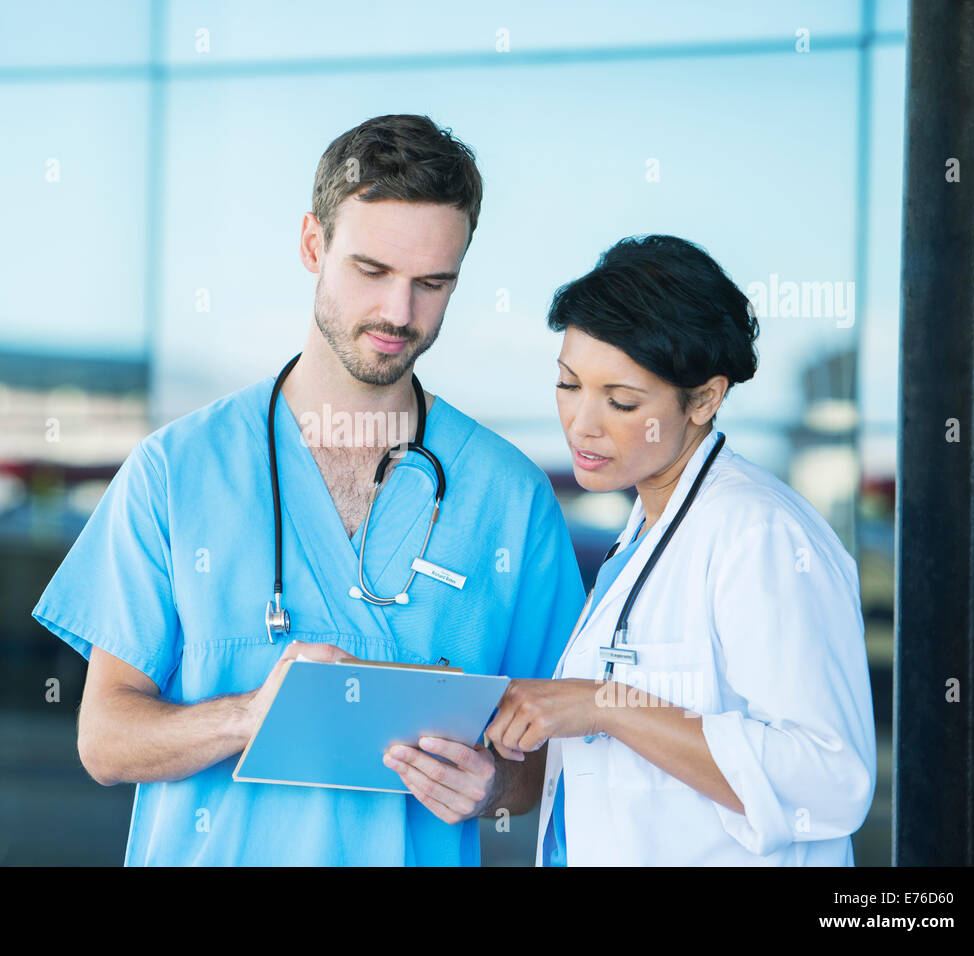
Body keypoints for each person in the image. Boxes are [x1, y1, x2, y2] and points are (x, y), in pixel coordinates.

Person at [31, 114, 586, 866]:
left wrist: (493, 790)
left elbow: (557, 760)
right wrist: (244, 718)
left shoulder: (508, 499)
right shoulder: (178, 472)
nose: (399, 312)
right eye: (372, 271)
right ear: (312, 245)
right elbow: (104, 741)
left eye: (432, 283)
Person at [485, 234, 877, 865]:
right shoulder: (644, 530)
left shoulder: (759, 534)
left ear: (704, 399)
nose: (583, 424)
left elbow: (829, 779)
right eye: (568, 384)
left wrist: (602, 705)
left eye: (621, 402)